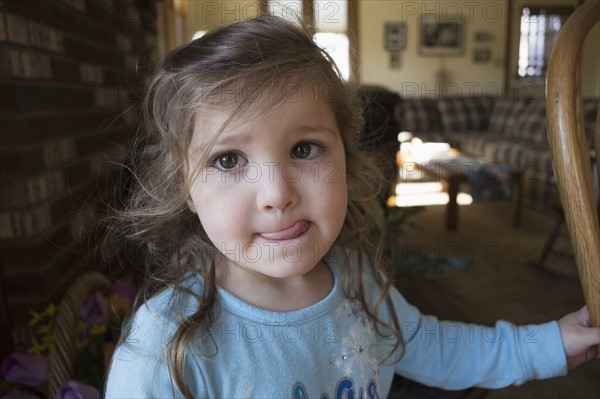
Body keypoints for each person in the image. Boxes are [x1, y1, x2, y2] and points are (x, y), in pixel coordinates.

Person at [103, 16, 600, 398]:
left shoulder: (359, 282)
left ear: (346, 154)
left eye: (304, 149)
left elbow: (433, 347)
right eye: (228, 159)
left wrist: (548, 344)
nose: (276, 193)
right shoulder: (165, 347)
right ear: (185, 188)